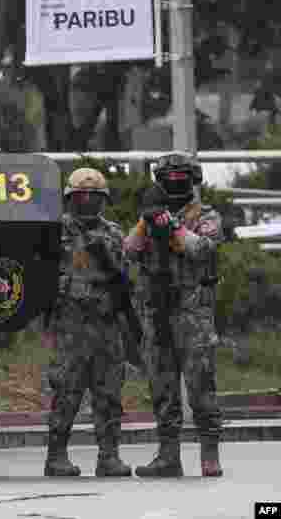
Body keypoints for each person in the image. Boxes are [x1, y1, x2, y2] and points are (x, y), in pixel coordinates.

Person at [124, 153, 224, 477]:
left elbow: (200, 249)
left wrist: (173, 225)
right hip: (157, 311)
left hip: (192, 311)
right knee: (162, 388)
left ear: (193, 181)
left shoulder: (206, 215)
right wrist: (147, 218)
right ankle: (169, 457)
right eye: (170, 179)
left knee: (200, 386)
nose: (176, 183)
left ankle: (210, 455)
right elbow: (129, 249)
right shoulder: (153, 216)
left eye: (182, 178)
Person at [44, 167, 132, 477]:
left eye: (94, 197)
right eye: (82, 196)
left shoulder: (113, 233)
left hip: (106, 323)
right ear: (70, 198)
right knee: (67, 389)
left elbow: (123, 277)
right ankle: (56, 456)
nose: (88, 202)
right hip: (72, 323)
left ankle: (109, 456)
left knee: (108, 392)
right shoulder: (56, 230)